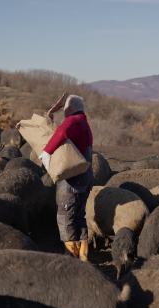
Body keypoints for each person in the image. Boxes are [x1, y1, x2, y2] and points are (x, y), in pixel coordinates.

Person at [38, 93, 93, 261]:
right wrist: (51, 115)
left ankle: (71, 257)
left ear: (70, 109)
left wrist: (46, 154)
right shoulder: (83, 122)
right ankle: (83, 256)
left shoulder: (72, 121)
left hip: (72, 179)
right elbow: (62, 131)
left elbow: (60, 133)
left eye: (66, 109)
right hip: (85, 177)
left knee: (65, 215)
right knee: (78, 215)